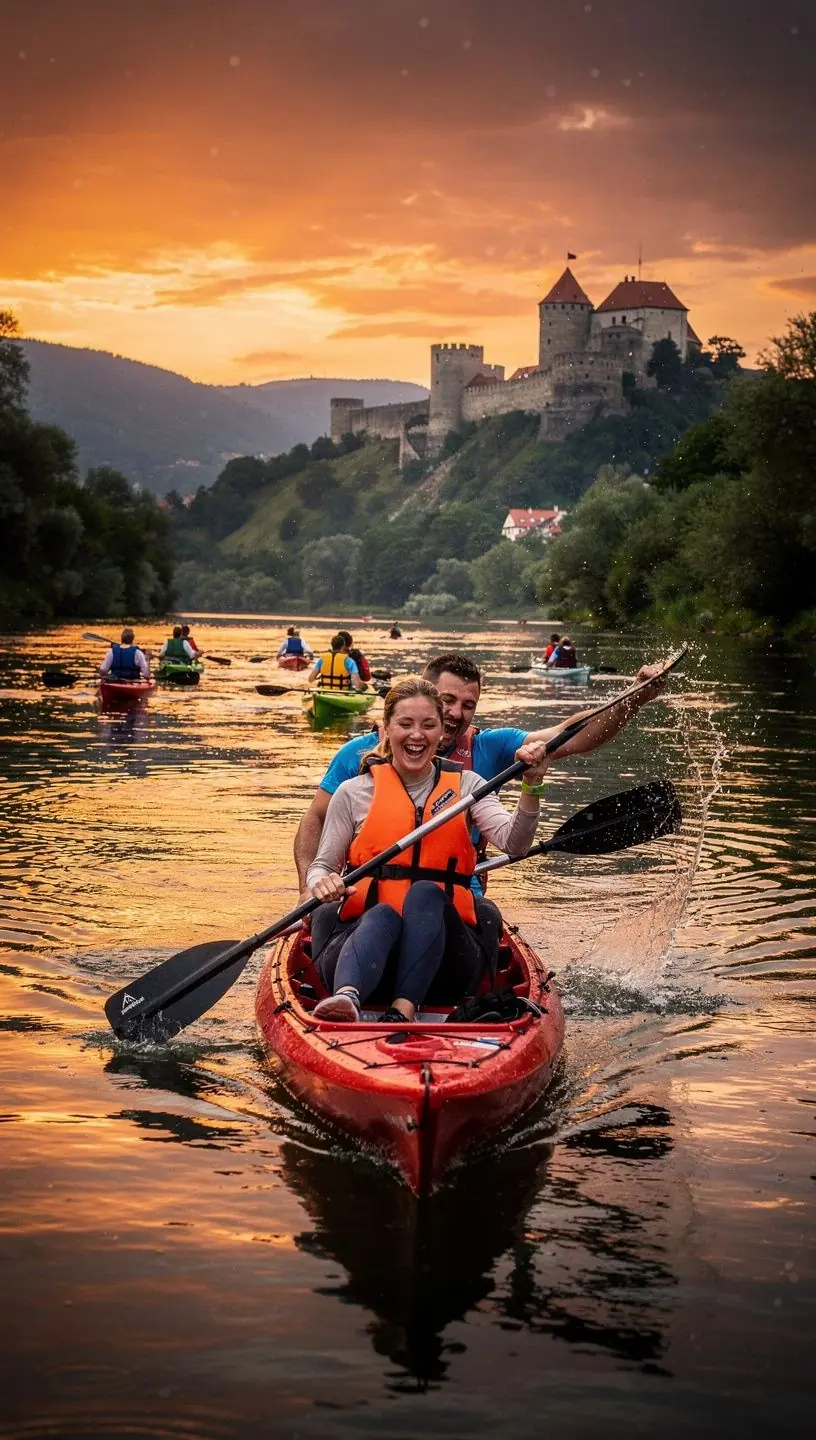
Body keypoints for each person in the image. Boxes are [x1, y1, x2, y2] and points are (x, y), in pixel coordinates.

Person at [294, 651, 668, 896]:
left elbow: (570, 736)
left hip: (455, 891)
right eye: (447, 701)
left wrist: (633, 698)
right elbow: (315, 818)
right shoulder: (358, 755)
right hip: (370, 890)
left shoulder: (491, 748)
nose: (456, 713)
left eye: (467, 704)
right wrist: (308, 887)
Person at [306, 677, 549, 1024]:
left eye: (428, 725)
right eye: (405, 724)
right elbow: (322, 866)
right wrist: (321, 882)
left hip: (446, 968)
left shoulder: (469, 787)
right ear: (386, 729)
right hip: (366, 959)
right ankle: (347, 997)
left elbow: (515, 844)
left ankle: (402, 1012)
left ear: (441, 733)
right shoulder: (352, 792)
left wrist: (532, 786)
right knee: (383, 914)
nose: (416, 735)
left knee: (425, 893)